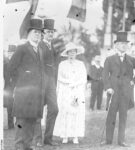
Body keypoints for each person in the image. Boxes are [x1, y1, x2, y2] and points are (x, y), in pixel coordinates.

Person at [103, 32, 135, 147]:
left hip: (126, 92)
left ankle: (121, 141)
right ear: (116, 45)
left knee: (123, 116)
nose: (123, 46)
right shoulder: (109, 59)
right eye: (121, 44)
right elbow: (105, 75)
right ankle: (108, 140)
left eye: (125, 44)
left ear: (127, 46)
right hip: (113, 92)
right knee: (111, 116)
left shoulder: (131, 59)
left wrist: (133, 82)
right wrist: (108, 88)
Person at [8, 18, 44, 150]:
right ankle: (18, 147)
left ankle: (27, 146)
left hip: (36, 94)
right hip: (23, 93)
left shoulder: (39, 50)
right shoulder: (22, 48)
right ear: (29, 33)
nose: (37, 35)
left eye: (40, 33)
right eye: (35, 32)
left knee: (32, 121)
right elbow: (11, 68)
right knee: (22, 121)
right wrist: (24, 77)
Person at [53, 42, 87, 144]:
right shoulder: (62, 64)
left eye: (74, 52)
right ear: (67, 53)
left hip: (77, 90)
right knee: (65, 112)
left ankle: (75, 136)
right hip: (66, 91)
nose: (72, 54)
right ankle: (65, 136)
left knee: (76, 112)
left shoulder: (81, 64)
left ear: (76, 53)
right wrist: (68, 83)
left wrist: (75, 84)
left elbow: (83, 78)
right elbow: (59, 78)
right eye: (70, 52)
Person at [34, 19, 59, 147]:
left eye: (52, 32)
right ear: (43, 33)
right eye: (48, 32)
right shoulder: (39, 46)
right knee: (38, 110)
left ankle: (48, 138)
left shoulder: (52, 47)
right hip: (40, 82)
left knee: (54, 109)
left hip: (51, 84)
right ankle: (38, 139)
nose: (50, 34)